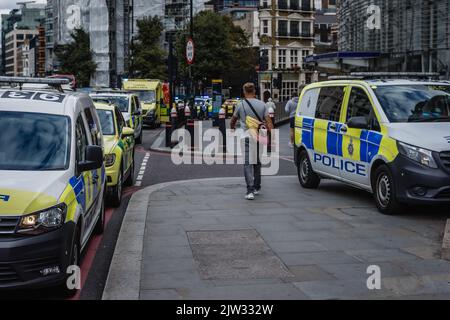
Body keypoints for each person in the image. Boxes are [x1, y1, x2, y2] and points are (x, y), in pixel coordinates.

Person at [230, 83, 274, 200]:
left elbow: (233, 120)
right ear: (254, 91)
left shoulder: (240, 105)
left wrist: (232, 128)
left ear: (244, 91)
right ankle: (257, 187)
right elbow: (269, 122)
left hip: (246, 136)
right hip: (259, 136)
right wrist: (272, 136)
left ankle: (250, 190)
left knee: (248, 163)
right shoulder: (262, 104)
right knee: (257, 162)